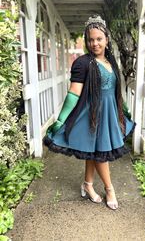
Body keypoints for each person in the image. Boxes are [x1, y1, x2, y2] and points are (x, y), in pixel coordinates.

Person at [43, 15, 136, 210]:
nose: (95, 43)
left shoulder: (111, 62)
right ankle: (110, 189)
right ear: (87, 41)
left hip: (109, 114)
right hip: (92, 115)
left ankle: (87, 185)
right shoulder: (83, 63)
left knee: (95, 152)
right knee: (100, 153)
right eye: (91, 39)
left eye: (99, 39)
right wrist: (61, 120)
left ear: (106, 40)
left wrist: (124, 110)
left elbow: (115, 91)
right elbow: (74, 94)